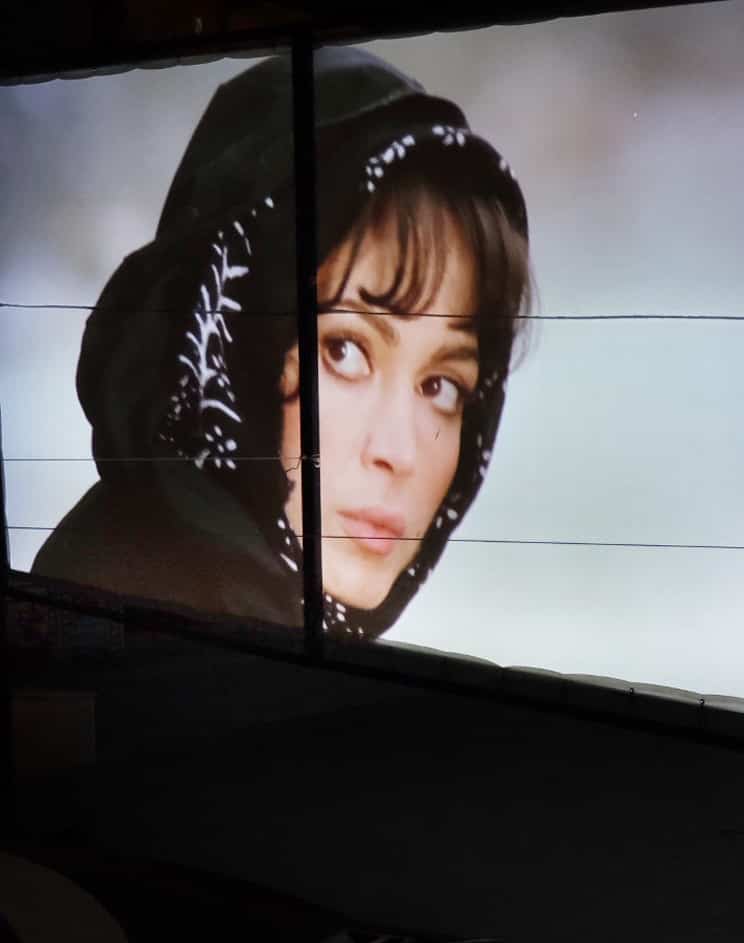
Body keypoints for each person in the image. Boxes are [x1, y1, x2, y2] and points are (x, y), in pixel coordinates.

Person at [34, 49, 534, 637]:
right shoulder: (126, 642)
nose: (400, 453)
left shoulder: (263, 637)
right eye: (345, 351)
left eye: (441, 386)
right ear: (223, 337)